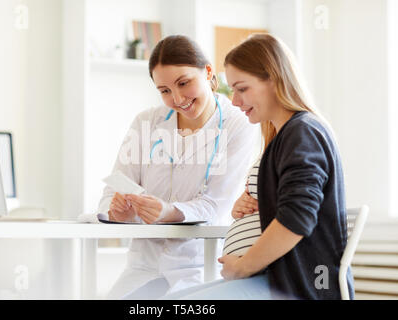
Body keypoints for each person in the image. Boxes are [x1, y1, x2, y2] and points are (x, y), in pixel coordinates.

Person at [161, 33, 354, 300]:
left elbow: (297, 218)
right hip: (277, 280)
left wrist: (242, 267)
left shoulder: (302, 133)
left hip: (301, 288)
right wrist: (260, 204)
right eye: (232, 91)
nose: (236, 101)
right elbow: (295, 205)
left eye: (242, 88)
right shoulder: (285, 136)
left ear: (274, 79)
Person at [98, 35, 260, 299]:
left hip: (198, 263)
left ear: (207, 72)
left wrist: (169, 211)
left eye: (184, 83)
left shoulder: (236, 123)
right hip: (144, 264)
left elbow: (216, 205)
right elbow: (110, 193)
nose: (178, 98)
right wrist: (119, 213)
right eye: (164, 91)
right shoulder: (146, 122)